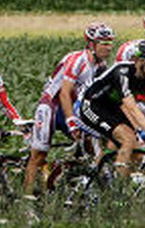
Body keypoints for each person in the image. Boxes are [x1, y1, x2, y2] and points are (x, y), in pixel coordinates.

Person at [22, 21, 115, 201]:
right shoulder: (78, 60)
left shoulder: (101, 66)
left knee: (91, 145)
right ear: (91, 44)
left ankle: (74, 183)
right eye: (104, 43)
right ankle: (25, 202)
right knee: (38, 156)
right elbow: (64, 93)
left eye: (110, 42)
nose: (109, 47)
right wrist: (71, 122)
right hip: (52, 106)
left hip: (74, 107)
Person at [76, 39, 145, 180]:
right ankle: (119, 191)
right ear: (141, 62)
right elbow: (131, 106)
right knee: (127, 139)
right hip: (92, 105)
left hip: (112, 107)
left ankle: (105, 173)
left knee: (136, 148)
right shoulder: (122, 71)